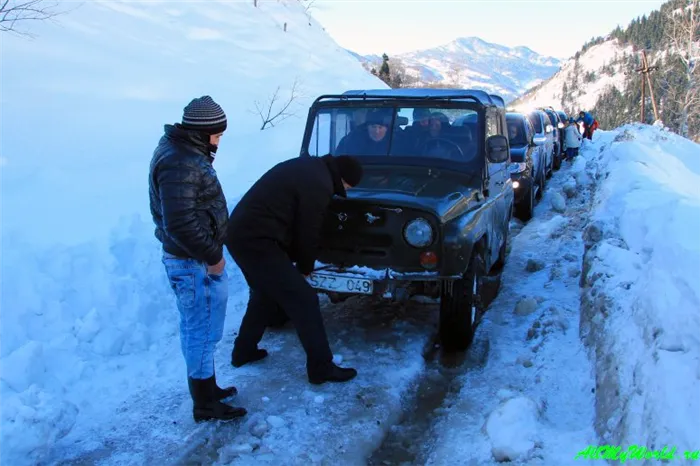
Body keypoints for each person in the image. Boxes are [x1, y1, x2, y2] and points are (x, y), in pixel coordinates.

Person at [224, 154, 364, 385]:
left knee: (265, 294)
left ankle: (244, 351)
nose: (344, 190)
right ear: (342, 178)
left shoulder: (310, 167)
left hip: (241, 234)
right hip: (257, 240)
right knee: (304, 299)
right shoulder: (319, 184)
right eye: (346, 186)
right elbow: (307, 230)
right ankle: (321, 368)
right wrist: (305, 266)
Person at [149, 95, 246, 422]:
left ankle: (208, 389)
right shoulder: (181, 161)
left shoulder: (183, 151)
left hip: (193, 260)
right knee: (201, 331)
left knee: (202, 330)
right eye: (216, 135)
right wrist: (212, 255)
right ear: (203, 132)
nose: (218, 142)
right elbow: (179, 221)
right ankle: (205, 404)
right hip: (193, 263)